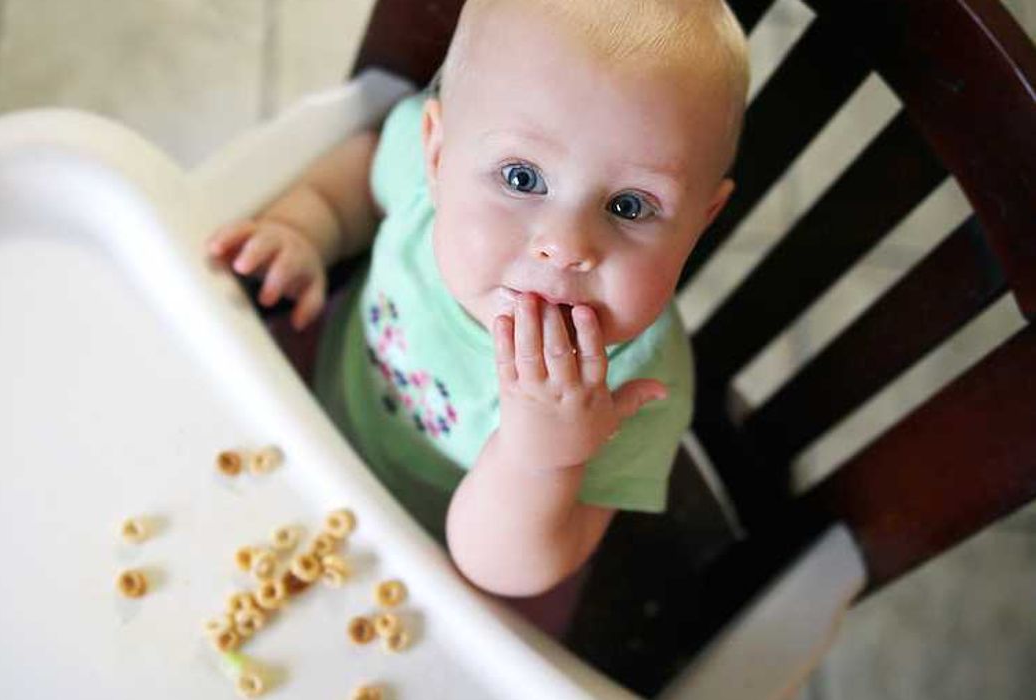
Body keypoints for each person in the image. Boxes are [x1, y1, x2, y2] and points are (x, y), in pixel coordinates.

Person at [206, 0, 749, 637]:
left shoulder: (637, 390)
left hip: (432, 582)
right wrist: (306, 229)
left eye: (630, 206)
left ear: (700, 223)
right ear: (436, 155)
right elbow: (356, 180)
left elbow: (508, 572)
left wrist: (542, 455)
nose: (566, 246)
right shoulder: (423, 181)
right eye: (522, 177)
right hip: (308, 425)